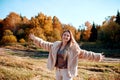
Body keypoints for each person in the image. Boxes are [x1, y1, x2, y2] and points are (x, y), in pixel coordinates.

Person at [29, 30, 104, 80]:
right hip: (57, 71)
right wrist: (35, 39)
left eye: (68, 36)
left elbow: (85, 53)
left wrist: (97, 56)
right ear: (62, 36)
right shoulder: (56, 45)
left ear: (70, 38)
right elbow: (45, 44)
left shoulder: (73, 48)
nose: (66, 37)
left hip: (67, 72)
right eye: (64, 35)